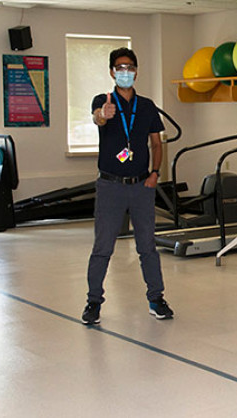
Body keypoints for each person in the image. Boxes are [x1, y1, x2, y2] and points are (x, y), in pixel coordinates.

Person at [82, 47, 173, 325]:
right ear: (112, 72)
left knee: (147, 246)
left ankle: (156, 299)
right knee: (103, 247)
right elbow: (98, 117)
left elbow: (156, 143)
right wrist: (103, 114)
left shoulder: (146, 106)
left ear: (136, 71)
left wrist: (155, 173)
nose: (125, 72)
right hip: (110, 185)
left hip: (141, 185)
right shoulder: (104, 100)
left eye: (130, 67)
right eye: (120, 68)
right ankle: (93, 302)